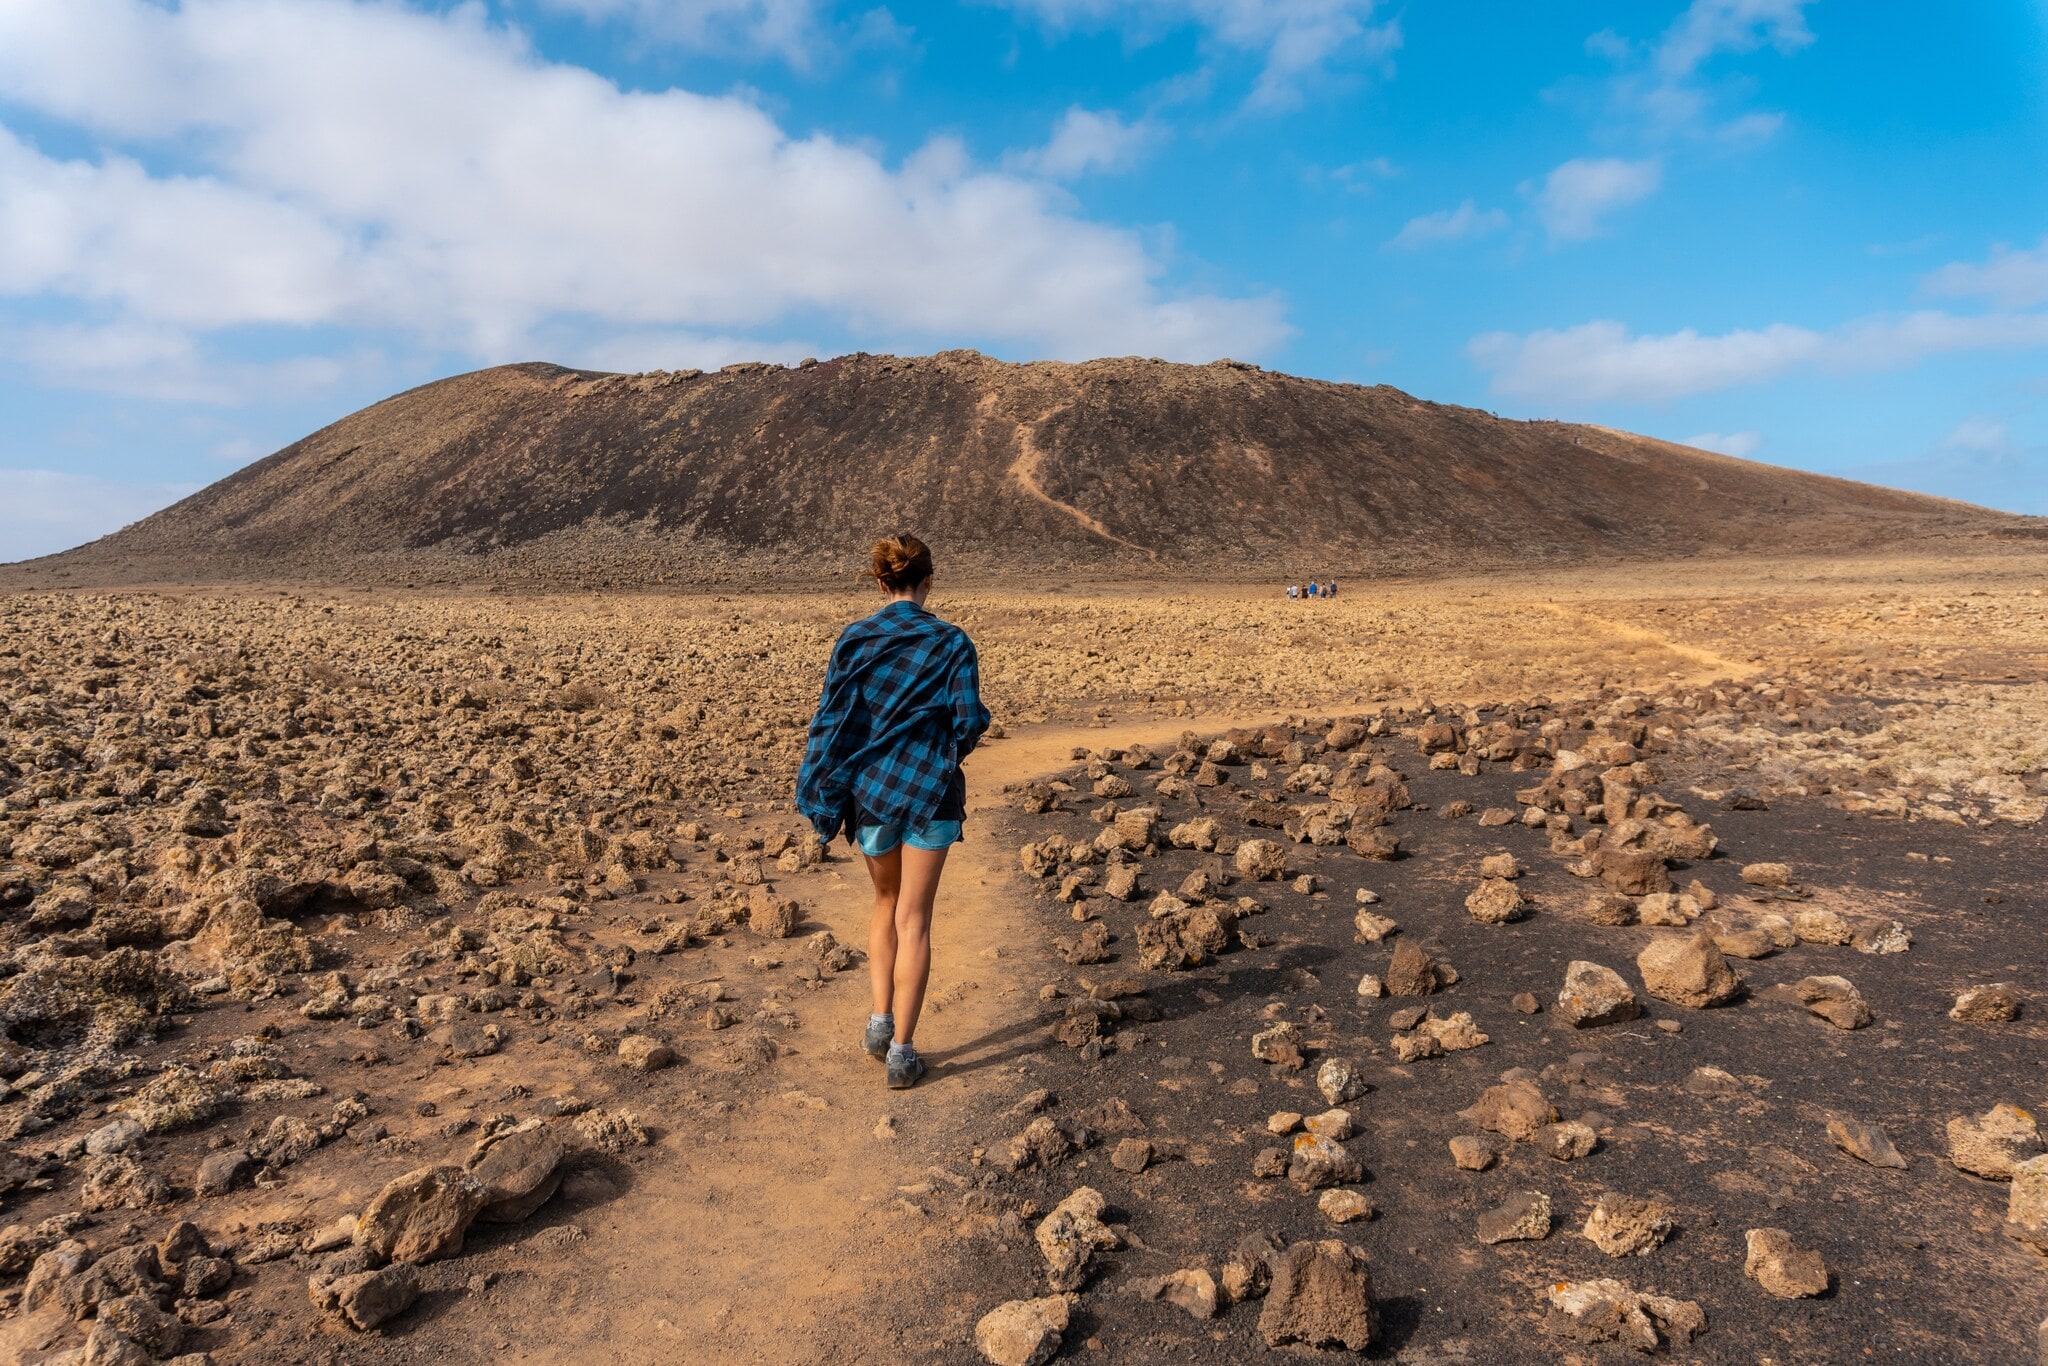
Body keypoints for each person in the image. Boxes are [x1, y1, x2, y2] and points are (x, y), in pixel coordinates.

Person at [796, 535, 990, 1089]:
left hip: (874, 792)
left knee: (884, 902)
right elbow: (968, 719)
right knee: (916, 918)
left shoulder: (855, 640)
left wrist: (832, 783)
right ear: (929, 580)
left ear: (881, 583)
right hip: (932, 793)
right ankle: (903, 1055)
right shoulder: (952, 641)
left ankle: (879, 1024)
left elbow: (835, 719)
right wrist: (941, 752)